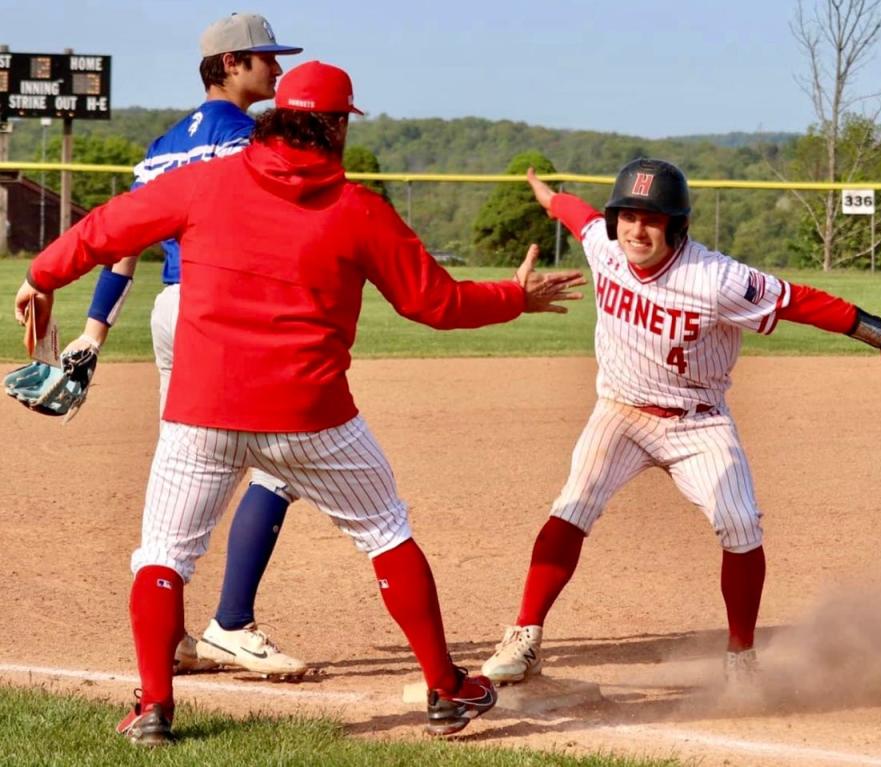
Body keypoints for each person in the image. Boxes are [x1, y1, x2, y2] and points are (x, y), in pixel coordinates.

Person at [14, 60, 585, 745]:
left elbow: (107, 228)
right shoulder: (358, 208)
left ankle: (155, 708)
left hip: (203, 411)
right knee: (385, 532)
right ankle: (444, 690)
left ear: (278, 115)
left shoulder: (201, 184)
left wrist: (40, 276)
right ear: (338, 125)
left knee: (163, 554)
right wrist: (516, 296)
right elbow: (436, 303)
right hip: (313, 417)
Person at [480, 159, 881, 689]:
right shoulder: (604, 247)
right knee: (572, 505)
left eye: (651, 218)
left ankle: (741, 657)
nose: (636, 229)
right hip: (620, 412)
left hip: (698, 423)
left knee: (741, 524)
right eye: (627, 215)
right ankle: (525, 636)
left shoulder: (716, 279)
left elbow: (801, 302)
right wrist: (544, 193)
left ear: (677, 225)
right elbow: (576, 214)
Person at [63, 12, 307, 678]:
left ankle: (168, 632)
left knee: (182, 465)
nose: (277, 70)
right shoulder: (252, 141)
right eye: (265, 58)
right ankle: (231, 623)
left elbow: (125, 243)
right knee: (284, 456)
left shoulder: (165, 145)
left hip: (172, 313)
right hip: (228, 312)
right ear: (230, 63)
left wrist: (92, 332)